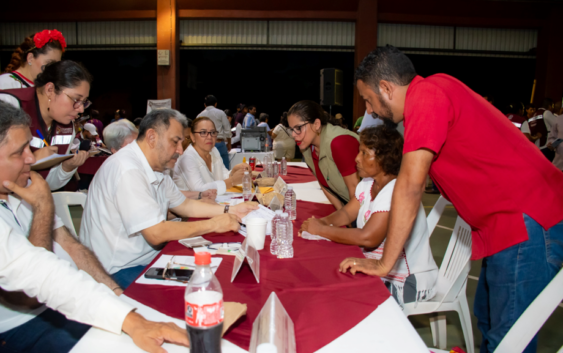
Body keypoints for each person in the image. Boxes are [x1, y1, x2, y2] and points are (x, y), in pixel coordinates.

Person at [351, 45, 563, 353]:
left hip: (525, 219)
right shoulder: (432, 93)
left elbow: (410, 185)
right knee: (490, 325)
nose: (370, 110)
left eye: (369, 100)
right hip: (506, 224)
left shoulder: (426, 95)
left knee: (509, 342)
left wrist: (385, 264)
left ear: (386, 88)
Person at [0, 101, 189, 353]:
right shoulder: (125, 168)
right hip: (20, 323)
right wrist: (44, 207)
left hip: (64, 298)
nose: (31, 159)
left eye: (29, 148)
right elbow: (32, 284)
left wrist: (115, 293)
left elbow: (74, 248)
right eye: (19, 152)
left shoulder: (17, 190)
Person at [80, 109, 258, 289]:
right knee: (201, 291)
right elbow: (156, 233)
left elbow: (185, 205)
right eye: (175, 142)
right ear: (152, 137)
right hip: (118, 268)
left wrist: (232, 210)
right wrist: (213, 224)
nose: (180, 151)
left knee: (214, 276)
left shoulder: (157, 167)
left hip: (145, 258)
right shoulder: (127, 169)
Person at [300, 125, 438, 306]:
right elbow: (347, 213)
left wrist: (321, 230)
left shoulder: (395, 190)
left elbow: (368, 237)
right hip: (381, 268)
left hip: (406, 280)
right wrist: (322, 222)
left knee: (341, 298)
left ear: (384, 158)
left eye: (364, 153)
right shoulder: (368, 183)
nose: (356, 158)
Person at [0, 61, 91, 190]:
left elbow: (48, 184)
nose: (81, 109)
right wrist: (32, 160)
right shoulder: (8, 104)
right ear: (50, 90)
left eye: (84, 102)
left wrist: (66, 168)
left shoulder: (67, 127)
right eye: (76, 100)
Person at [104, 119, 216, 203]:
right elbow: (155, 227)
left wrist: (201, 195)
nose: (138, 148)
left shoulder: (155, 166)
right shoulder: (126, 172)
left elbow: (172, 195)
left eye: (138, 142)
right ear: (115, 151)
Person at [288, 100, 360, 211]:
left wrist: (348, 221)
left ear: (316, 124)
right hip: (349, 209)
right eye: (292, 129)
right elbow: (324, 185)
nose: (293, 134)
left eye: (298, 128)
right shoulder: (307, 148)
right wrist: (342, 214)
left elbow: (356, 192)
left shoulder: (339, 142)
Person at [174, 117, 251, 195]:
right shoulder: (187, 158)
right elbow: (199, 190)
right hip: (192, 205)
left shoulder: (214, 150)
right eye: (203, 133)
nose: (209, 137)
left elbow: (223, 176)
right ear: (193, 137)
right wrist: (232, 181)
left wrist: (233, 172)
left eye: (213, 132)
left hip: (214, 201)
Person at [0, 30, 66, 90]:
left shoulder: (48, 87)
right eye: (48, 63)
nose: (53, 70)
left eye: (56, 65)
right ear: (30, 58)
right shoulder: (5, 84)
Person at [196, 95, 231, 169]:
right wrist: (229, 143)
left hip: (205, 145)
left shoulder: (199, 116)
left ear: (204, 105)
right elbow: (227, 129)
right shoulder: (220, 113)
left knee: (209, 170)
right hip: (219, 143)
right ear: (215, 104)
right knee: (225, 168)